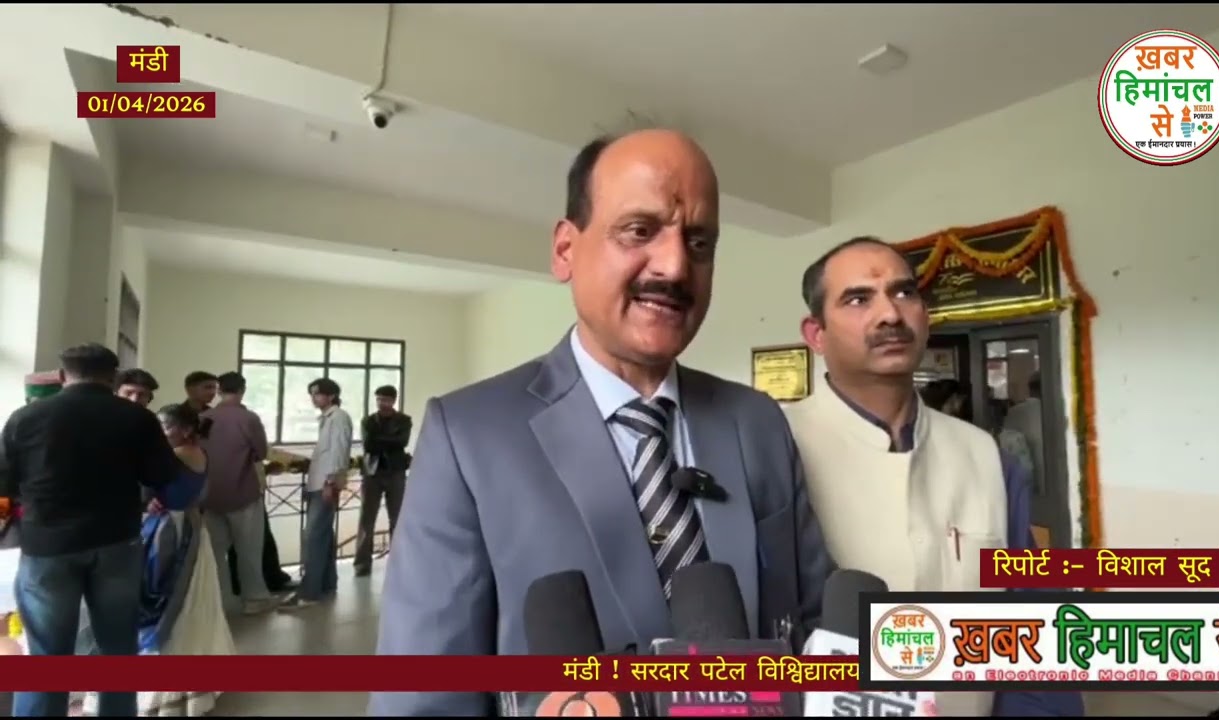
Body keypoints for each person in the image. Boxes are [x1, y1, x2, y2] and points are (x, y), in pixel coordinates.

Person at [370, 129, 833, 716]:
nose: (675, 266)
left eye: (699, 242)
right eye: (639, 230)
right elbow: (424, 697)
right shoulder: (467, 436)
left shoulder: (757, 421)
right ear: (566, 249)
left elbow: (816, 627)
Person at [783, 237, 1082, 717]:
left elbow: (1032, 629)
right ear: (816, 334)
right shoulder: (773, 446)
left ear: (925, 315)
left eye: (904, 293)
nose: (890, 315)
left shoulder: (984, 454)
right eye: (858, 299)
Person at [1, 343, 180, 717]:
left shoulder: (26, 417)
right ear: (113, 378)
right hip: (117, 542)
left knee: (47, 654)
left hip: (47, 546)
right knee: (117, 647)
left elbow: (5, 482)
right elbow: (163, 475)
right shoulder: (136, 418)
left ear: (62, 375)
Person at [83, 404, 236, 717]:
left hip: (173, 533)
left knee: (169, 604)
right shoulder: (190, 452)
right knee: (186, 606)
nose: (160, 433)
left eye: (165, 427)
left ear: (185, 429)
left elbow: (142, 480)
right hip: (182, 526)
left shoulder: (178, 454)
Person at [201, 372, 276, 616]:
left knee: (215, 552)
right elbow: (261, 452)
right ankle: (254, 598)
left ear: (219, 390)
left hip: (210, 494)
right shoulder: (248, 418)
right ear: (243, 390)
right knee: (248, 550)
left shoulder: (204, 418)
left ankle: (220, 600)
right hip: (243, 492)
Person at [279, 378, 352, 610]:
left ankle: (309, 592)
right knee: (323, 535)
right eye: (311, 393)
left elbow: (339, 451)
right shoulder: (327, 418)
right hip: (318, 483)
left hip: (325, 484)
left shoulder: (338, 417)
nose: (313, 398)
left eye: (317, 393)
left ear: (331, 396)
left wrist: (331, 481)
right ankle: (327, 583)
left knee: (313, 536)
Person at [354, 385, 412, 577]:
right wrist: (390, 440)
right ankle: (362, 564)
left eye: (386, 400)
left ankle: (398, 562)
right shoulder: (368, 421)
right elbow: (369, 445)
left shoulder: (404, 420)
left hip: (396, 472)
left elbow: (402, 442)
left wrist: (381, 440)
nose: (382, 403)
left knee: (397, 517)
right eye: (379, 399)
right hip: (372, 472)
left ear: (394, 401)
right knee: (366, 519)